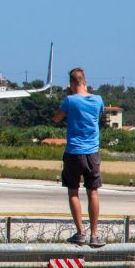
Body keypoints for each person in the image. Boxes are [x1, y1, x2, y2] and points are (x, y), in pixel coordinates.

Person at [52, 67, 105, 248]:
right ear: (85, 81)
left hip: (74, 152)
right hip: (92, 153)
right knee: (93, 192)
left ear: (72, 83)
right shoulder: (98, 100)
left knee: (73, 191)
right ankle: (95, 234)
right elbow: (97, 114)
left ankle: (80, 233)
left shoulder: (70, 100)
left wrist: (69, 96)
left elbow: (56, 118)